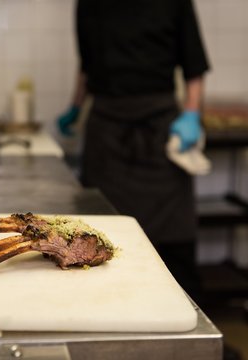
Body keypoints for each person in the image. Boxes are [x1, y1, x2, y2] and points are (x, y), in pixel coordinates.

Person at [57, 0, 210, 299]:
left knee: (174, 233)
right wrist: (75, 106)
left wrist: (192, 114)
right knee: (101, 229)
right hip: (107, 131)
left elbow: (194, 67)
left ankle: (189, 327)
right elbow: (87, 67)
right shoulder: (89, 4)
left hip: (159, 128)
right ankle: (107, 314)